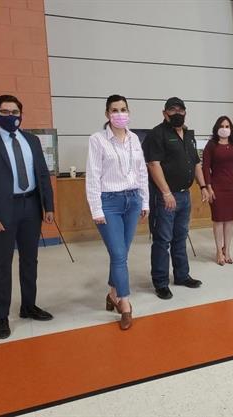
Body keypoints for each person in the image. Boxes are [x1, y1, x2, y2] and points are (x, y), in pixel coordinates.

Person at [0, 95, 54, 339]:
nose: (10, 116)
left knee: (30, 260)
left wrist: (48, 207)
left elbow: (42, 174)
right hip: (1, 212)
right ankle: (1, 316)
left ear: (21, 113)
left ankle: (28, 306)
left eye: (15, 112)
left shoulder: (31, 140)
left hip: (30, 207)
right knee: (1, 265)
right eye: (4, 112)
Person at [86, 94, 149, 330]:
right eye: (115, 110)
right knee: (119, 254)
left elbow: (142, 172)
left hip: (132, 200)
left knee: (121, 253)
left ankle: (112, 293)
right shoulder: (97, 140)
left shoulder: (134, 138)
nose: (120, 114)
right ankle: (124, 302)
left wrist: (145, 202)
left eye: (123, 109)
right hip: (109, 202)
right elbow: (93, 176)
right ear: (107, 114)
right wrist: (96, 209)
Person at [143, 97, 209, 300]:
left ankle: (182, 275)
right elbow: (153, 164)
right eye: (172, 110)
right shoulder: (157, 134)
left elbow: (196, 163)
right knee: (162, 240)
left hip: (184, 195)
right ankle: (161, 283)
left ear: (185, 113)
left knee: (181, 237)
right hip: (165, 197)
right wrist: (166, 193)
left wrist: (203, 186)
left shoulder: (188, 135)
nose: (177, 113)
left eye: (180, 110)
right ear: (165, 113)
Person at [202, 116, 233, 265]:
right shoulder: (211, 145)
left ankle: (227, 251)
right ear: (217, 128)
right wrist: (208, 187)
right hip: (216, 187)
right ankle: (219, 252)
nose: (224, 129)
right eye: (222, 126)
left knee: (229, 221)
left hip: (232, 188)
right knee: (218, 220)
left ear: (231, 129)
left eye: (227, 126)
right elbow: (205, 167)